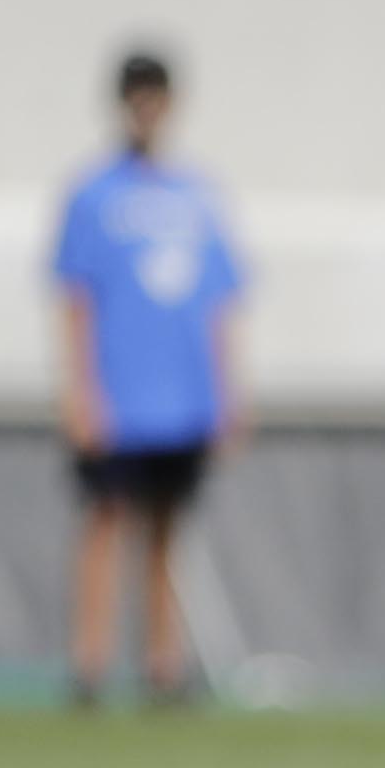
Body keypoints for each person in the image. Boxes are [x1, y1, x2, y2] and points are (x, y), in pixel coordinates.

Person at [50, 48, 245, 711]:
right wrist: (80, 392)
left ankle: (163, 667)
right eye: (136, 97)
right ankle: (90, 667)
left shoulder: (197, 196)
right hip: (118, 395)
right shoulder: (92, 195)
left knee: (166, 534)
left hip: (180, 398)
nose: (147, 110)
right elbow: (74, 300)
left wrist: (226, 397)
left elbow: (220, 305)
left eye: (156, 97)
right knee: (105, 525)